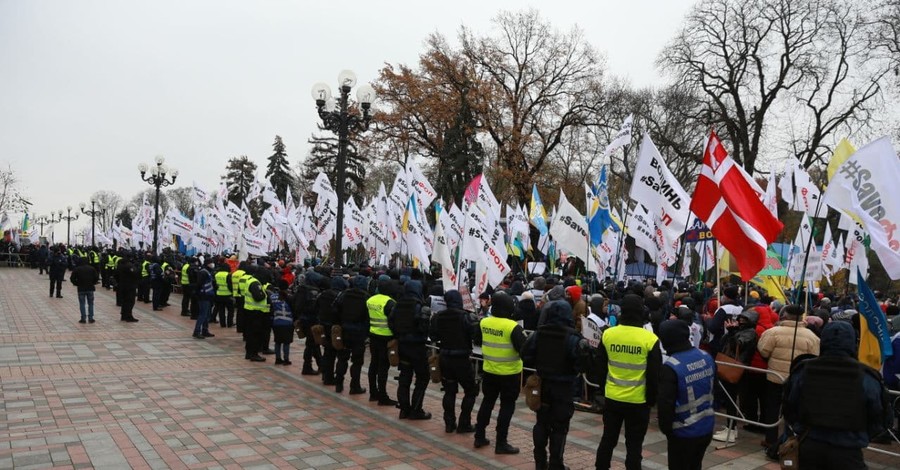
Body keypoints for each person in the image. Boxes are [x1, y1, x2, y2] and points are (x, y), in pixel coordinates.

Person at [783, 321, 894, 469]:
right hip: (843, 449)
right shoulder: (867, 376)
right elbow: (880, 417)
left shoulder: (803, 370)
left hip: (813, 446)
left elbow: (789, 404)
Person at [522, 300, 591, 470]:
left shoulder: (539, 333)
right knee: (559, 427)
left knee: (541, 423)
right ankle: (555, 464)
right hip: (563, 388)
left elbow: (525, 355)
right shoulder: (573, 338)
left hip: (543, 385)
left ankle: (540, 463)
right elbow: (583, 364)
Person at [595, 294, 661, 470]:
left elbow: (599, 367)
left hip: (612, 397)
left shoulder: (608, 334)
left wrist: (604, 389)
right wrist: (651, 400)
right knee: (634, 445)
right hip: (638, 402)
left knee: (608, 440)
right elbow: (655, 375)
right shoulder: (650, 339)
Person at [756, 304, 820, 459]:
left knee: (772, 408)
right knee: (794, 410)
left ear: (784, 315)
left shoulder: (772, 332)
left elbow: (763, 350)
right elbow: (814, 357)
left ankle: (771, 439)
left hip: (775, 376)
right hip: (798, 380)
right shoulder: (812, 336)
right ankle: (790, 439)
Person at [657, 319, 716, 470]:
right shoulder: (706, 357)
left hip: (683, 432)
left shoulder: (671, 367)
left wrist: (667, 429)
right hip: (706, 426)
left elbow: (665, 404)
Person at [473, 291, 526, 455]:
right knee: (506, 407)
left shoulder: (483, 322)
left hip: (489, 371)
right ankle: (501, 442)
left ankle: (479, 436)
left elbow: (476, 341)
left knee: (487, 403)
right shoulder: (513, 327)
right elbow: (524, 350)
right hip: (510, 374)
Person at [430, 289, 479, 434]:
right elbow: (476, 336)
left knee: (449, 391)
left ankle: (449, 423)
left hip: (445, 357)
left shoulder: (438, 317)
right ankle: (464, 423)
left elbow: (433, 335)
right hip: (462, 359)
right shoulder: (466, 317)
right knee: (470, 391)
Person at [390, 280, 432, 420]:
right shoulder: (420, 306)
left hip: (403, 346)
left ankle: (404, 409)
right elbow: (423, 328)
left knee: (405, 377)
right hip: (417, 347)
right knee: (422, 377)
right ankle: (416, 409)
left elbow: (391, 322)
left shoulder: (397, 305)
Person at [332, 275, 369, 394]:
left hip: (345, 331)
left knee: (342, 358)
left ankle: (338, 383)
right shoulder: (366, 297)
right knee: (357, 361)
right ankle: (354, 386)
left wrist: (339, 323)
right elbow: (368, 317)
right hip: (358, 333)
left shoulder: (343, 295)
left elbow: (334, 309)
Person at [366, 277, 398, 406]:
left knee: (373, 364)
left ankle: (373, 393)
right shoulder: (390, 302)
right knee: (383, 367)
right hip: (386, 338)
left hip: (373, 335)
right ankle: (382, 396)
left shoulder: (370, 300)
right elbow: (394, 321)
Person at [292, 269, 322, 376]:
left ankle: (320, 365)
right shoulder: (314, 291)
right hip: (312, 320)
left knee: (313, 344)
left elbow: (295, 304)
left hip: (303, 320)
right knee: (312, 344)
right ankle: (307, 366)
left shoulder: (301, 289)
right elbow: (316, 307)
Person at [242, 267, 268, 361]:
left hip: (250, 310)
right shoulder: (255, 283)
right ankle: (254, 354)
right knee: (255, 334)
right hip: (255, 312)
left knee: (250, 334)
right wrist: (265, 294)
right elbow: (259, 297)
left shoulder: (250, 280)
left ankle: (249, 353)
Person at [270, 281, 294, 365]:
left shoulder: (272, 297)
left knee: (277, 341)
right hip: (288, 322)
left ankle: (278, 358)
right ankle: (286, 359)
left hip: (276, 322)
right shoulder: (289, 297)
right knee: (286, 342)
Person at [70, 257, 99, 324]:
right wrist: (93, 283)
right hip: (90, 288)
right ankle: (91, 318)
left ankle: (83, 318)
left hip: (81, 288)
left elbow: (72, 278)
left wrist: (76, 283)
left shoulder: (77, 269)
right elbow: (96, 278)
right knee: (91, 303)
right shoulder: (92, 268)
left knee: (82, 304)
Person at [192, 260, 216, 339]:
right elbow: (199, 284)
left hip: (208, 296)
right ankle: (197, 331)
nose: (212, 264)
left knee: (207, 315)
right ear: (208, 264)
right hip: (203, 296)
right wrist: (198, 294)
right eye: (211, 263)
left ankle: (205, 330)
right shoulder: (203, 272)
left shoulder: (208, 271)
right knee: (203, 314)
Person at [116, 255, 140, 322]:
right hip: (130, 286)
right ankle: (128, 316)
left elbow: (116, 275)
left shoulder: (119, 266)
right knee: (130, 301)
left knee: (124, 301)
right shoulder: (129, 266)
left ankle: (123, 315)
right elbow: (135, 273)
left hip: (122, 285)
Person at [213, 262, 234, 328]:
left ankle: (223, 324)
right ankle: (229, 323)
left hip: (219, 294)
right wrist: (232, 293)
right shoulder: (228, 275)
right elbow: (230, 285)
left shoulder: (216, 274)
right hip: (228, 295)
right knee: (230, 311)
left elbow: (214, 284)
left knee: (221, 310)